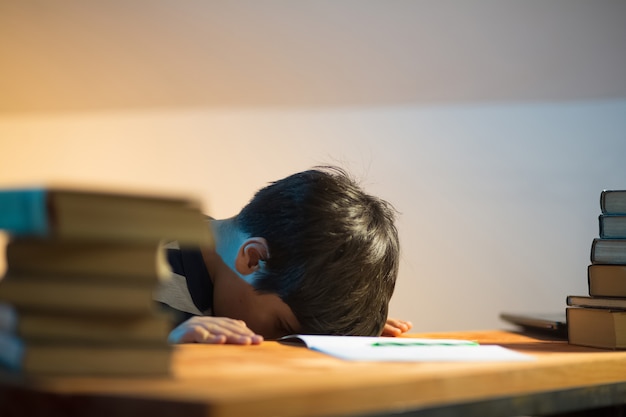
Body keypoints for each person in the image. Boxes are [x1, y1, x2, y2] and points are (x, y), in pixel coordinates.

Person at [156, 166, 412, 345]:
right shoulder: (136, 265)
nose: (279, 342)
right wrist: (163, 344)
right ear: (253, 258)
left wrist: (341, 330)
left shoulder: (233, 284)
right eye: (283, 328)